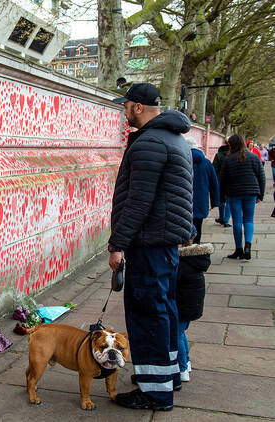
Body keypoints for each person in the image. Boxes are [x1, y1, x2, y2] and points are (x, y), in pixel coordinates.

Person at [108, 83, 193, 411]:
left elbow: (138, 202)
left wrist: (118, 244)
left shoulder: (150, 142)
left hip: (149, 243)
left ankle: (155, 393)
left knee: (148, 315)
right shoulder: (174, 137)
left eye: (126, 105)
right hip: (164, 242)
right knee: (164, 311)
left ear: (138, 108)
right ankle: (166, 376)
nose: (123, 111)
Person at [219, 134, 266, 260]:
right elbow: (261, 177)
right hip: (251, 193)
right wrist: (260, 194)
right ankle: (248, 246)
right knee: (249, 220)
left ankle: (238, 249)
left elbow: (222, 180)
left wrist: (221, 197)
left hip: (234, 193)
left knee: (237, 221)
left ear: (232, 145)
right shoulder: (254, 157)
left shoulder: (229, 159)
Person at [176, 237, 213, 383]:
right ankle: (187, 361)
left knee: (176, 336)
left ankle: (182, 369)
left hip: (182, 307)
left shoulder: (182, 263)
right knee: (181, 334)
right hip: (189, 307)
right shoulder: (193, 260)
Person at [187, 138, 219, 243]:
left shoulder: (180, 160)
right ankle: (196, 248)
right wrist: (215, 202)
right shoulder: (206, 162)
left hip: (183, 201)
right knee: (198, 226)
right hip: (201, 201)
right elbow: (214, 183)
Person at [212, 140, 232, 227]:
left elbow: (214, 168)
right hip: (231, 180)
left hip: (220, 180)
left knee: (222, 199)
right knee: (229, 200)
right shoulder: (233, 154)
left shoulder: (219, 154)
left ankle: (221, 217)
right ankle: (226, 219)